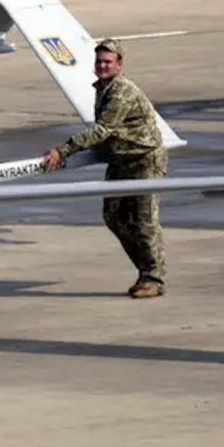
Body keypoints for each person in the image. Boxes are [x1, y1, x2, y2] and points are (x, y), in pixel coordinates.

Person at [42, 38, 168, 299]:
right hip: (122, 159)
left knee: (145, 222)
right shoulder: (103, 87)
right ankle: (146, 271)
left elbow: (102, 130)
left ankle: (154, 279)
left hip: (144, 159)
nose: (102, 66)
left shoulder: (121, 91)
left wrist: (63, 150)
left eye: (108, 62)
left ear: (119, 65)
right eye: (99, 61)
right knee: (114, 216)